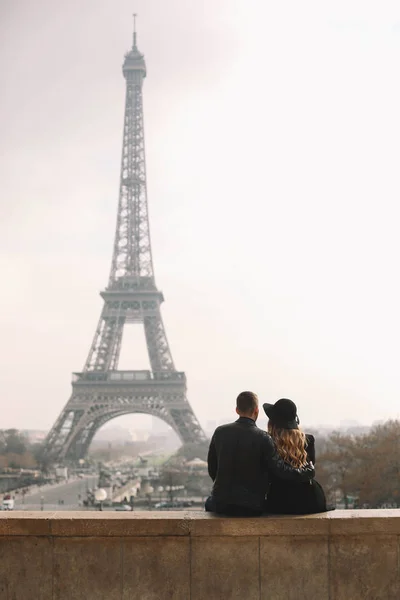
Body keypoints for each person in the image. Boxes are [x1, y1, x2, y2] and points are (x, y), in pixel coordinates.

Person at [205, 391, 315, 516]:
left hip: (220, 503)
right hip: (251, 506)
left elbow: (212, 469)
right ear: (256, 411)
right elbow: (280, 470)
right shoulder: (263, 438)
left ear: (237, 410)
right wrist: (307, 471)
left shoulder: (220, 432)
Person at [263, 398, 330, 514]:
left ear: (272, 423)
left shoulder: (268, 442)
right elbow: (310, 465)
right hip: (309, 499)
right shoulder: (308, 440)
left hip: (279, 500)